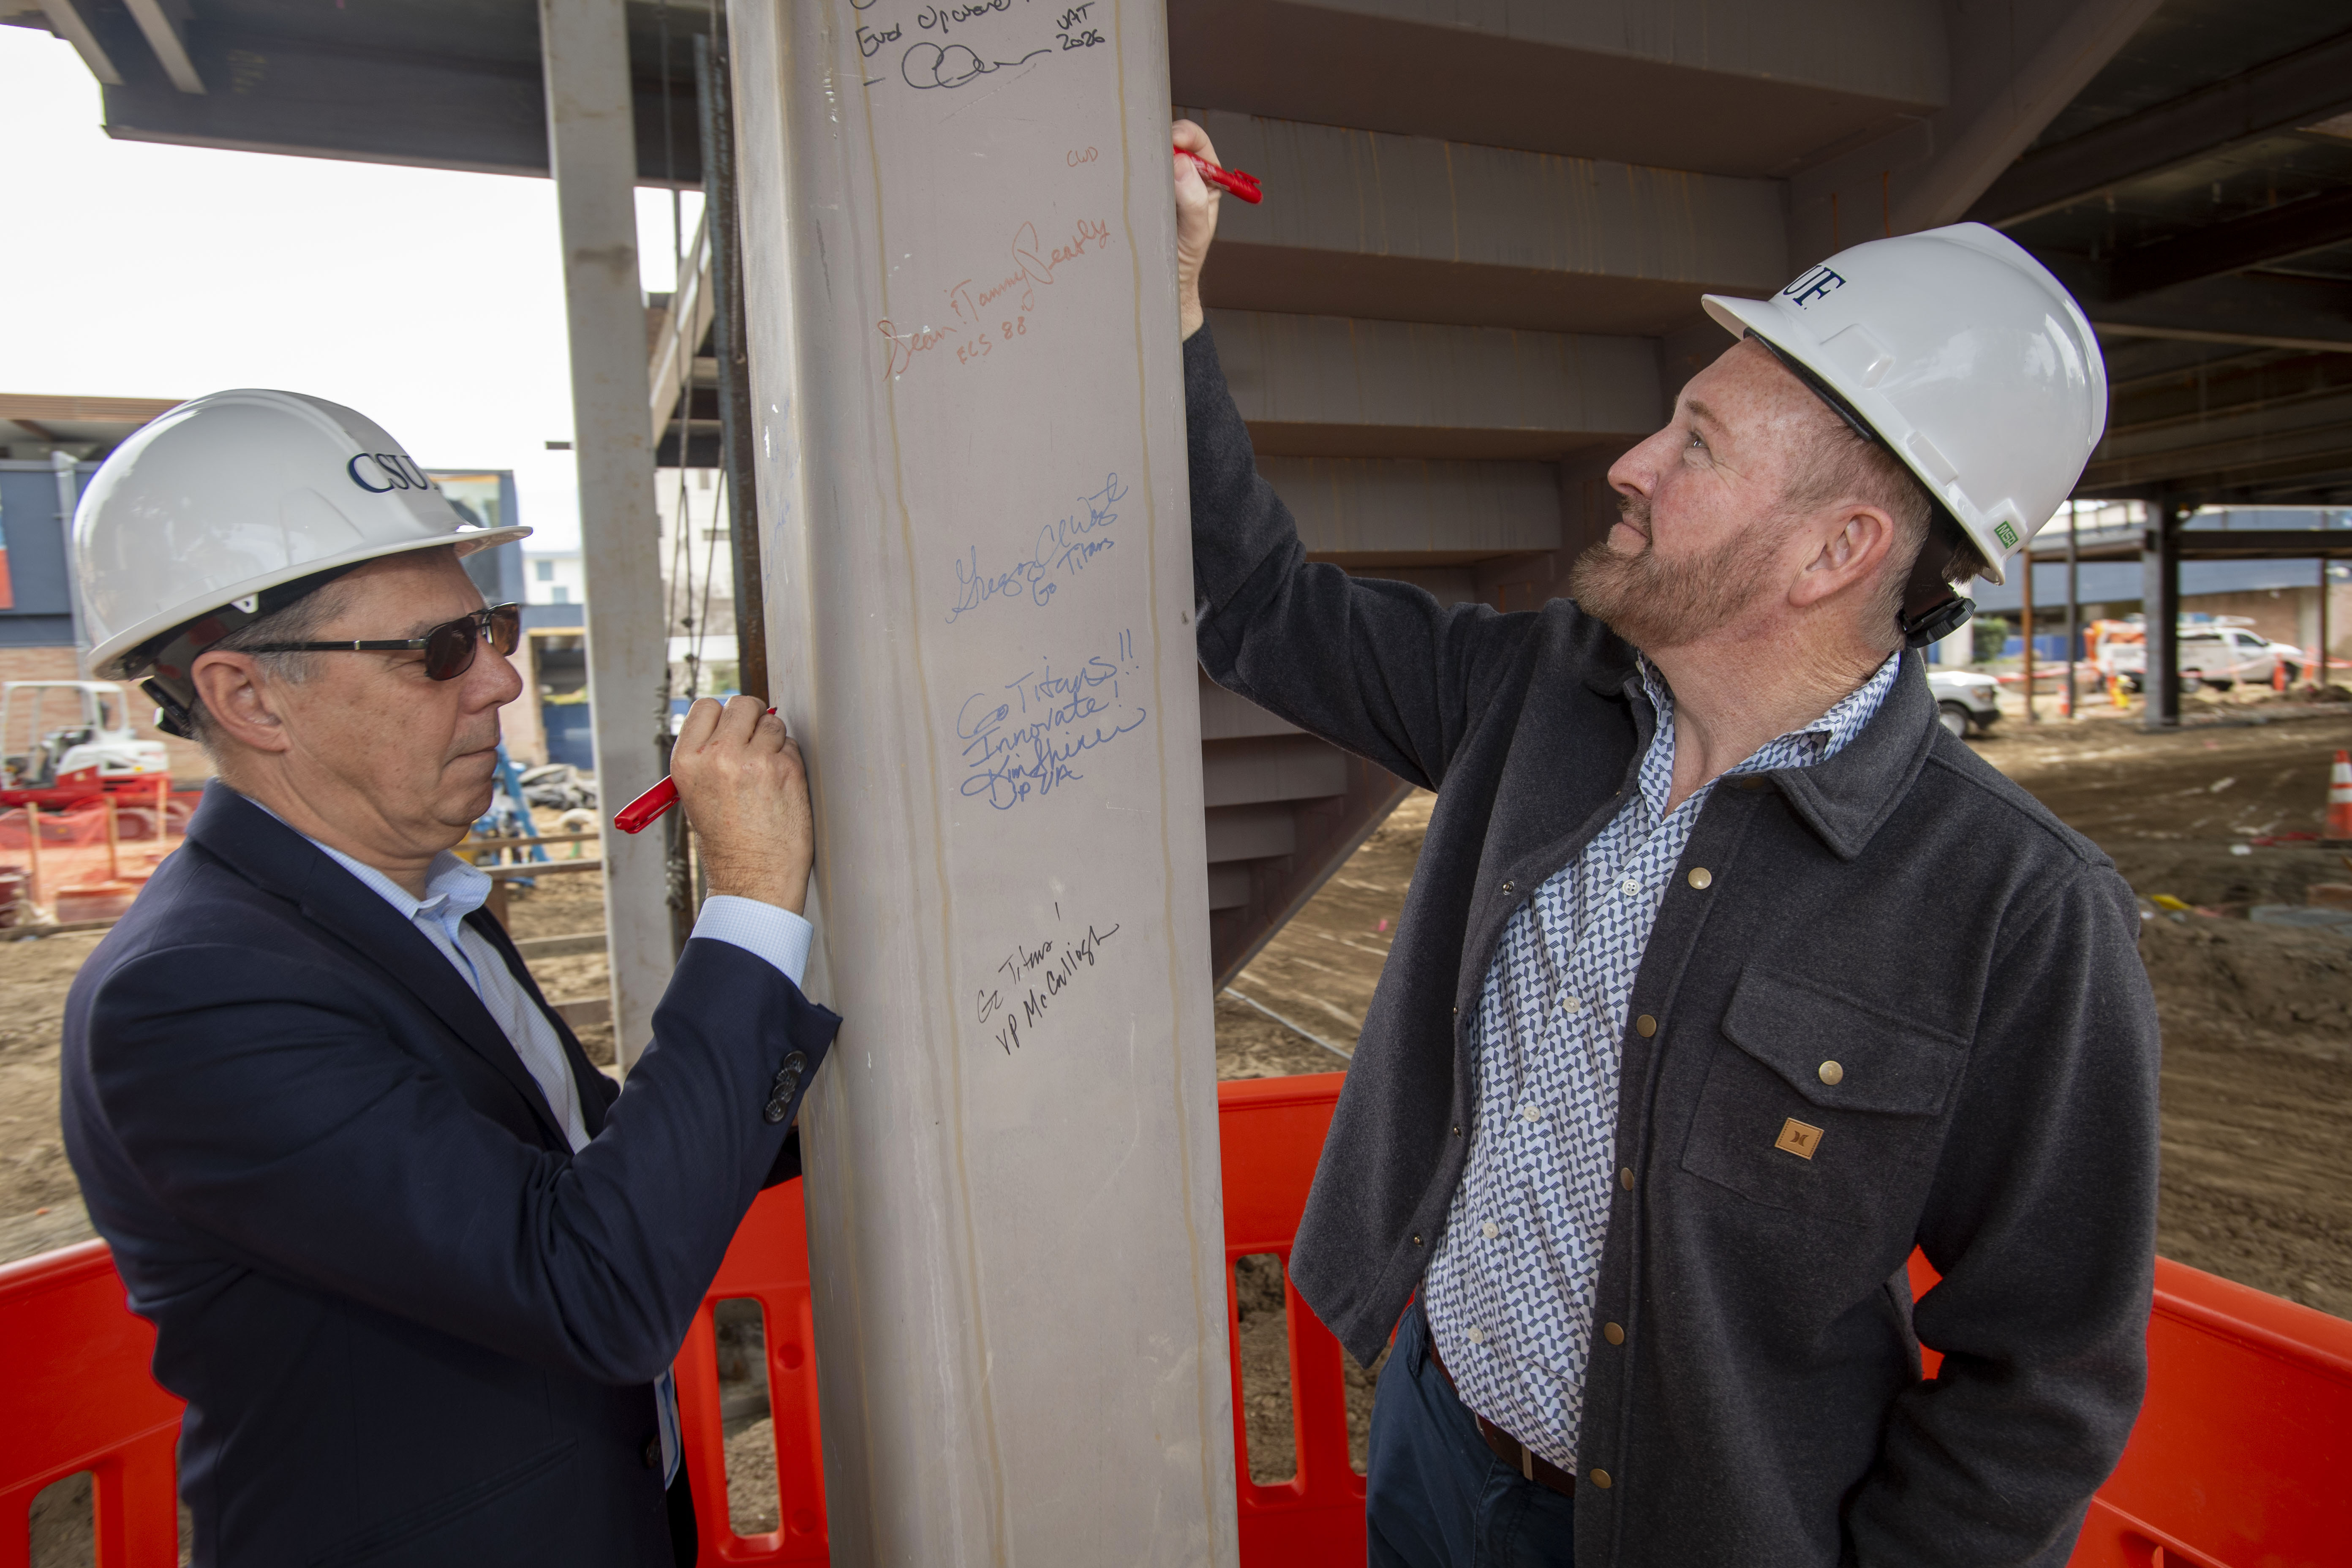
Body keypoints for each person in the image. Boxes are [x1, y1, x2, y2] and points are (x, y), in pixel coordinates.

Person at [1171, 121, 2160, 1567]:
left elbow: (2049, 1371)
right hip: (1436, 1447)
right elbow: (1258, 605)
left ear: (1839, 551)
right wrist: (1179, 303)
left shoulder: (2017, 907)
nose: (1631, 464)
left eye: (1696, 445)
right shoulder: (1533, 696)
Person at [59, 389, 836, 1567]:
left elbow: (605, 1166)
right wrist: (749, 905)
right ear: (247, 697)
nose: (502, 685)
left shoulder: (410, 902)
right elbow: (597, 1283)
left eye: (494, 630)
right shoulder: (192, 998)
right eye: (438, 652)